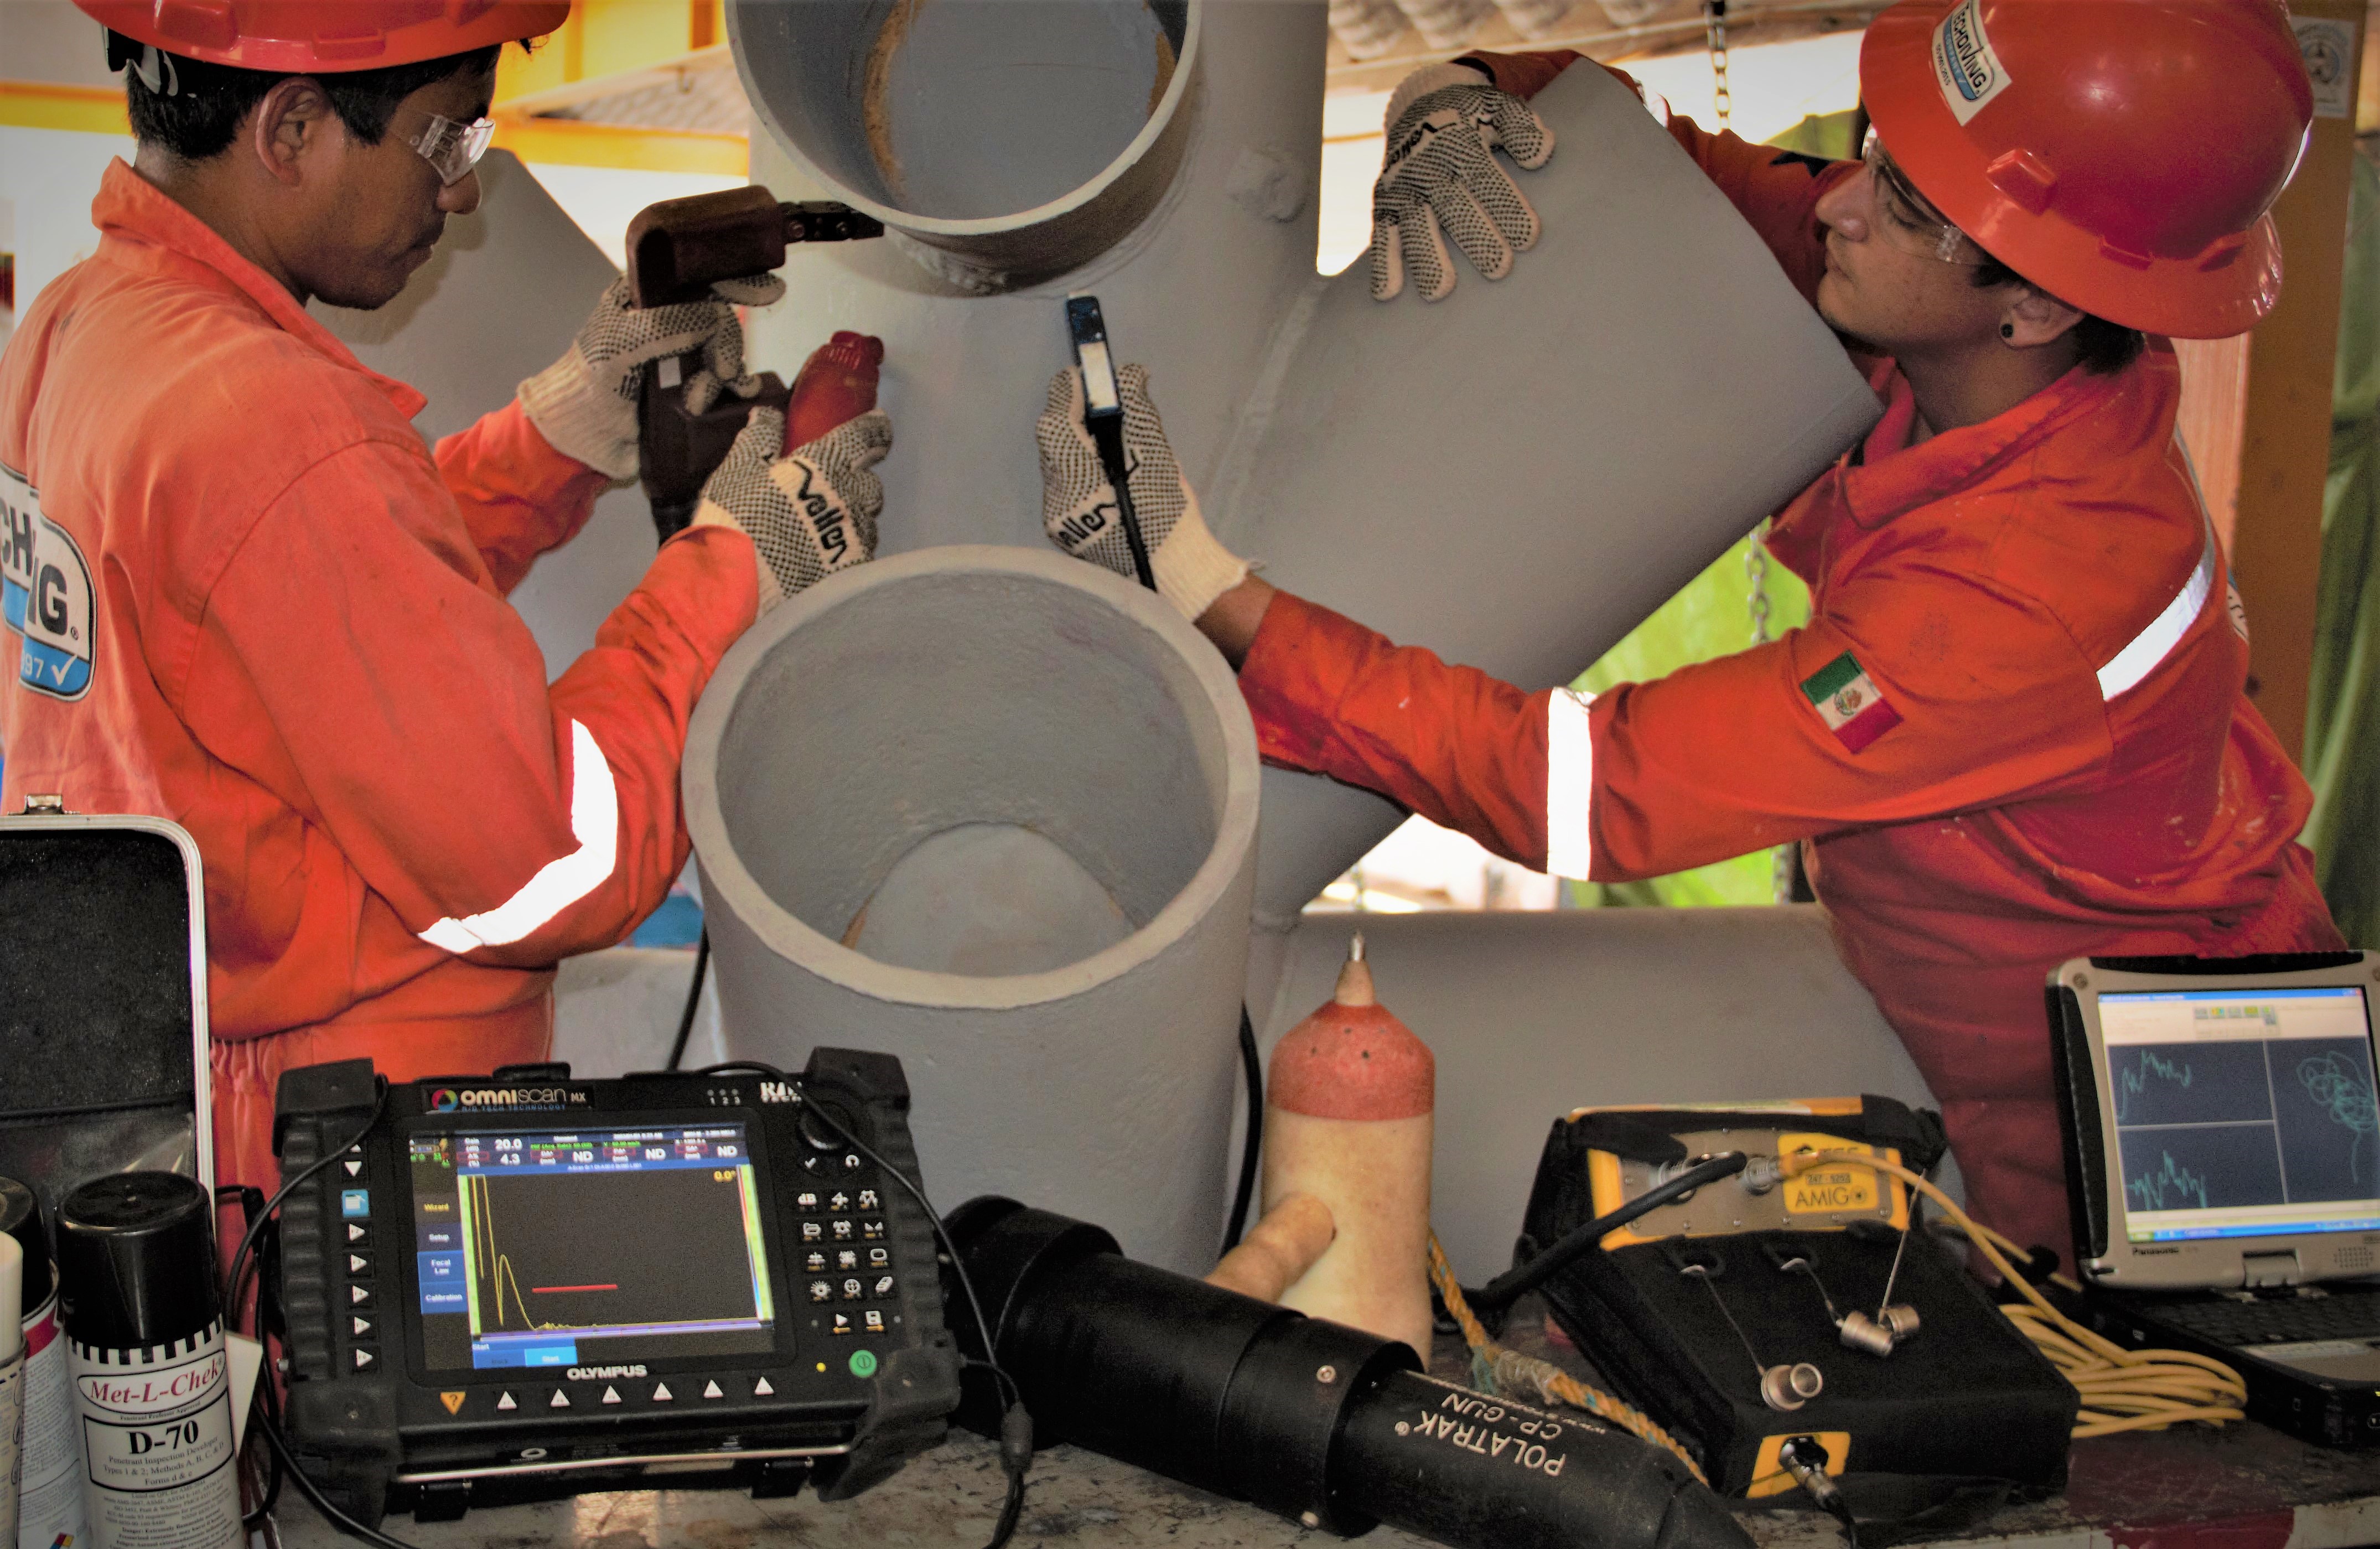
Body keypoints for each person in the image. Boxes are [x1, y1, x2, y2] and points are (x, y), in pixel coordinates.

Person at [1035, 0, 2338, 1267]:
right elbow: (1681, 167)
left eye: (1902, 204)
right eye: (1878, 154)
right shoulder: (1969, 315)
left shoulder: (2027, 595)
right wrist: (1469, 89)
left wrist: (1211, 591)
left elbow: (1593, 791)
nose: (1840, 203)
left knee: (2173, 1390)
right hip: (2012, 1000)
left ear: (2041, 305)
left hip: (2168, 1117)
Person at [0, 2, 890, 1198]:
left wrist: (557, 434)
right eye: (448, 136)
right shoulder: (278, 431)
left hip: (192, 1093)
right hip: (347, 1139)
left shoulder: (77, 329)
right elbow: (551, 858)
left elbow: (295, 613)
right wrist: (743, 560)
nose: (464, 192)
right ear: (292, 127)